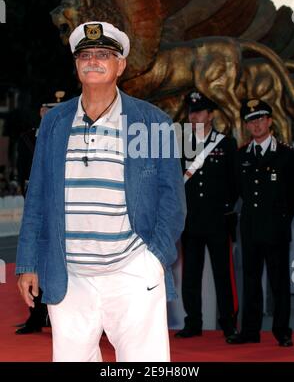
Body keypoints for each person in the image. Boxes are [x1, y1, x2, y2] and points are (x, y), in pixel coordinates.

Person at [15, 21, 186, 362]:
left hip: (132, 273)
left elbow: (172, 198)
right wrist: (28, 263)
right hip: (70, 276)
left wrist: (154, 259)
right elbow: (38, 199)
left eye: (104, 54)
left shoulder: (150, 123)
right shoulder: (55, 122)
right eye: (86, 54)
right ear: (77, 64)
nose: (93, 61)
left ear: (121, 65)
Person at [228, 99, 294, 346]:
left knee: (279, 283)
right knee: (250, 282)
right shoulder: (241, 156)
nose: (256, 125)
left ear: (270, 121)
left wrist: (282, 218)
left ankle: (282, 332)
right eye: (251, 121)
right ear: (247, 126)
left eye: (260, 119)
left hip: (277, 230)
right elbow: (236, 192)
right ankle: (250, 331)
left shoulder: (287, 154)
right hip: (250, 229)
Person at [175, 90, 239, 342]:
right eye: (192, 112)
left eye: (200, 111)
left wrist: (225, 207)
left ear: (211, 115)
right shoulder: (181, 143)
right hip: (190, 221)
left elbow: (235, 182)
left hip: (217, 221)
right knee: (190, 275)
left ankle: (228, 324)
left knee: (223, 275)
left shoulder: (226, 143)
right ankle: (193, 323)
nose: (194, 116)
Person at [15, 96, 64, 334]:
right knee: (36, 260)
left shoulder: (67, 135)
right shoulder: (28, 138)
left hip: (61, 207)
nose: (49, 114)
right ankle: (36, 316)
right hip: (37, 205)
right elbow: (23, 171)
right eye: (46, 109)